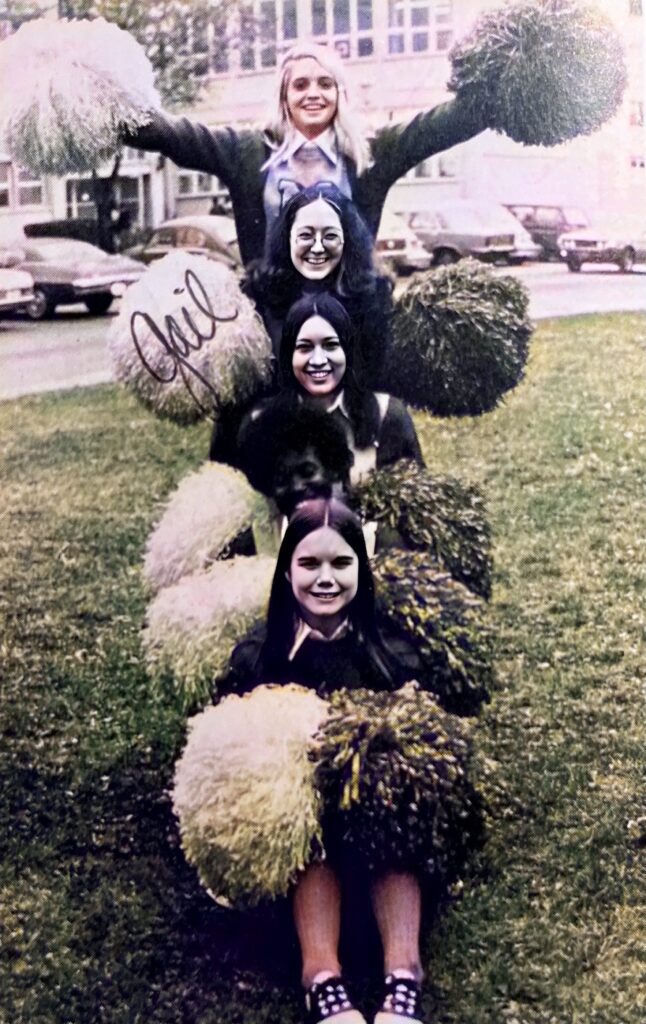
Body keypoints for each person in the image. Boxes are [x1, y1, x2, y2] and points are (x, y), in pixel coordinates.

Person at [225, 497, 426, 1024]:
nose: (326, 579)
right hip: (306, 827)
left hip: (377, 820)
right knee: (304, 825)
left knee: (392, 806)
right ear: (286, 569)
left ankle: (402, 975)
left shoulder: (391, 654)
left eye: (341, 563)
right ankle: (322, 977)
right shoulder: (260, 656)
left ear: (362, 566)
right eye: (309, 564)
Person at [126, 42, 487, 265]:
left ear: (340, 94)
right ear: (284, 98)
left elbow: (438, 127)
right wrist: (102, 106)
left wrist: (497, 93)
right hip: (274, 329)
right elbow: (172, 135)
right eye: (300, 85)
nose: (313, 94)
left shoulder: (371, 152)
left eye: (325, 83)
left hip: (348, 327)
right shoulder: (247, 151)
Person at [237, 293, 423, 492]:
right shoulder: (261, 422)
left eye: (331, 345)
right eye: (304, 347)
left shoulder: (387, 416)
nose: (318, 360)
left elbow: (416, 506)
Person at [244, 182, 393, 386]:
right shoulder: (260, 295)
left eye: (330, 236)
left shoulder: (372, 297)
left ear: (348, 239)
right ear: (286, 238)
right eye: (305, 235)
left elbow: (375, 380)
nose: (317, 248)